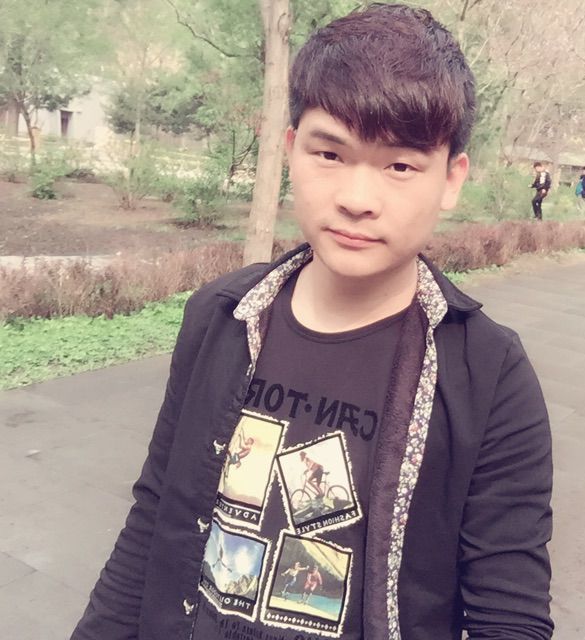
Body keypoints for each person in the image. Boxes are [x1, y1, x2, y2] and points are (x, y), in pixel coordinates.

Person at [72, 4, 553, 639]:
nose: (356, 199)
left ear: (450, 179)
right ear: (291, 149)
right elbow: (157, 512)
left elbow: (509, 615)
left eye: (400, 166)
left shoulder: (488, 375)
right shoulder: (221, 317)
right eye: (330, 153)